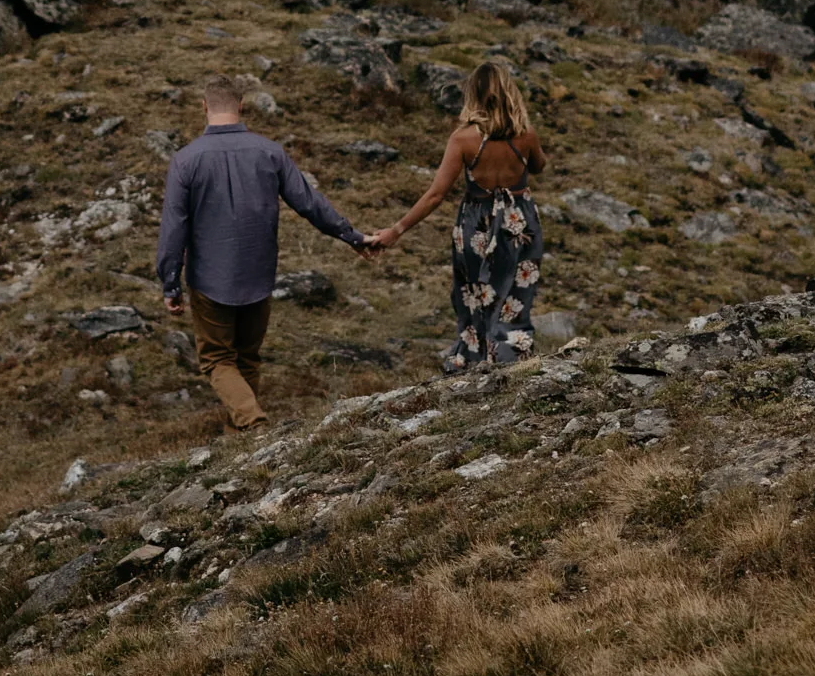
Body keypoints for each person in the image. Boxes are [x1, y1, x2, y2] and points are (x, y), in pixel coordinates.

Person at [158, 75, 371, 428]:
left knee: (217, 359)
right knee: (248, 357)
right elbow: (309, 203)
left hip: (211, 278)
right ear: (241, 106)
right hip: (259, 273)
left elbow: (173, 227)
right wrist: (352, 235)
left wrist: (170, 282)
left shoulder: (186, 160)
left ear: (204, 107)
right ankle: (245, 432)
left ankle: (252, 421)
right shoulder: (270, 151)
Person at [370, 59, 550, 371]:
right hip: (519, 222)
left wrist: (396, 230)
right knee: (515, 296)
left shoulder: (463, 139)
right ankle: (509, 359)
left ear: (474, 96)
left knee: (473, 294)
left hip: (476, 223)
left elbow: (435, 194)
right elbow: (538, 166)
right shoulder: (526, 134)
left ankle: (472, 359)